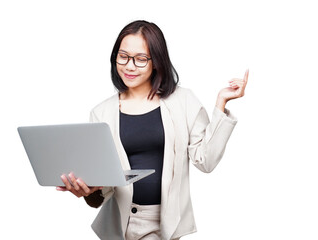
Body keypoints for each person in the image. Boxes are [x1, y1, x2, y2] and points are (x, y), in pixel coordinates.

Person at [56, 20, 248, 240]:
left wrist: (221, 103)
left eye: (140, 59)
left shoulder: (183, 101)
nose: (129, 66)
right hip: (119, 224)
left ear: (156, 61)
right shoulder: (101, 113)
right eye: (123, 56)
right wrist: (87, 191)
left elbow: (206, 161)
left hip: (164, 223)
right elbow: (103, 189)